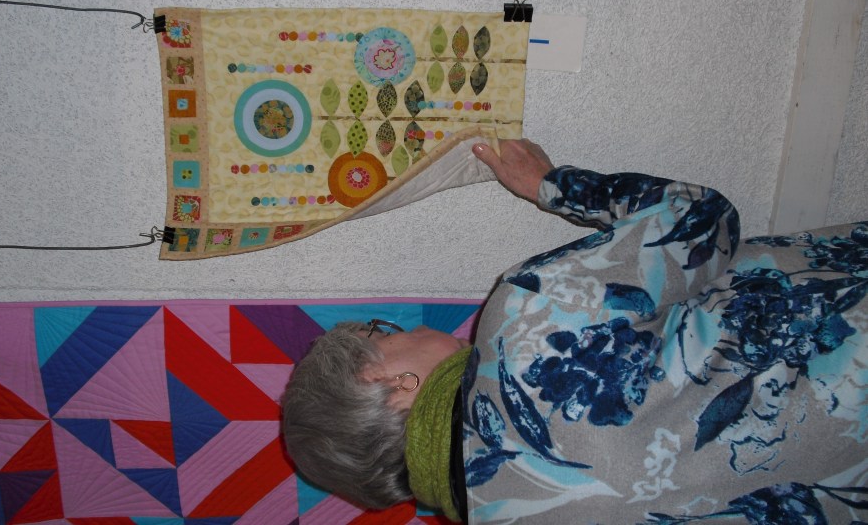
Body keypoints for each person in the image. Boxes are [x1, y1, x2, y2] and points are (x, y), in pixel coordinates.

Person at [282, 139, 868, 524]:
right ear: (389, 383)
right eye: (383, 334)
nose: (399, 331)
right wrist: (552, 183)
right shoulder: (523, 331)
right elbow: (700, 219)